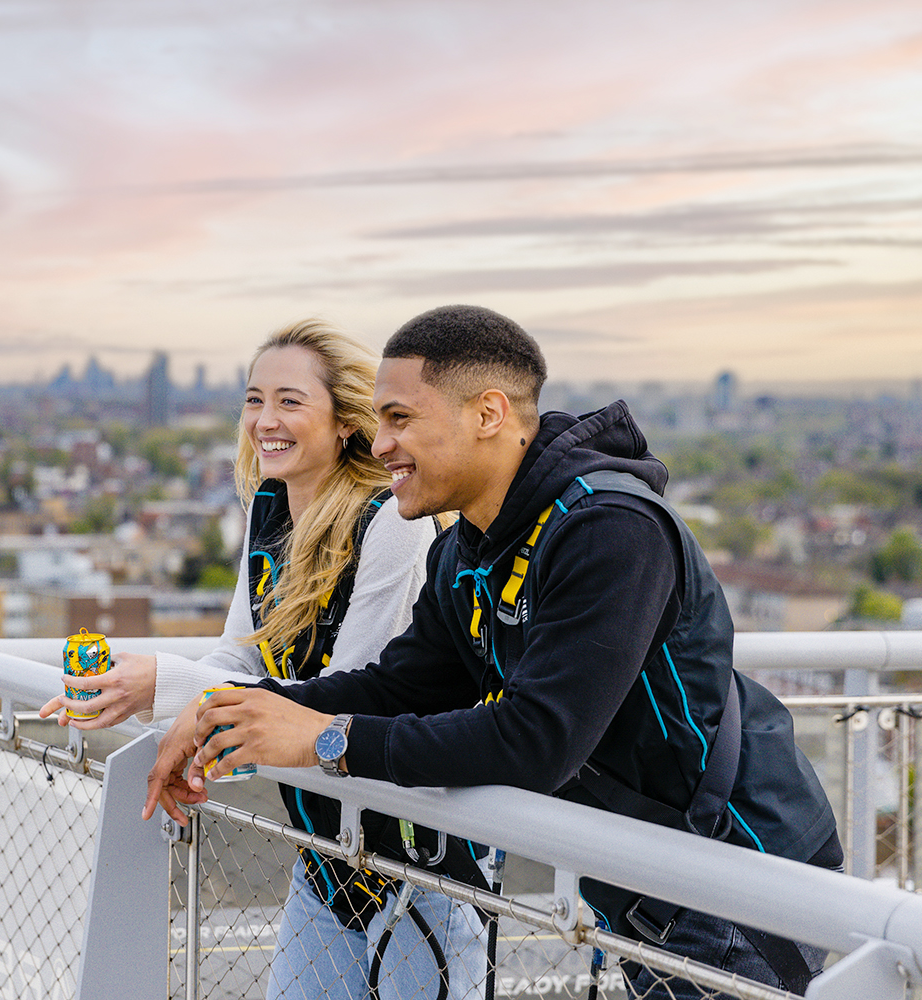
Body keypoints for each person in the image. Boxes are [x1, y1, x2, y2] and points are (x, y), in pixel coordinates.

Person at [145, 305, 841, 999]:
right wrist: (227, 713)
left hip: (740, 875)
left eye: (400, 418)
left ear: (488, 414)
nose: (379, 442)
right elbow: (399, 687)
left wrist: (327, 742)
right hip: (642, 880)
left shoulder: (610, 529)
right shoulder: (467, 552)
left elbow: (538, 738)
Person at [41, 318, 489, 999]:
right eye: (254, 399)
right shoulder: (270, 511)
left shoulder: (393, 522)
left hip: (422, 860)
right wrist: (161, 706)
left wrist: (168, 689)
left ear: (345, 421)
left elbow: (354, 693)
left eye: (289, 400)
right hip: (327, 849)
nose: (264, 420)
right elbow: (239, 660)